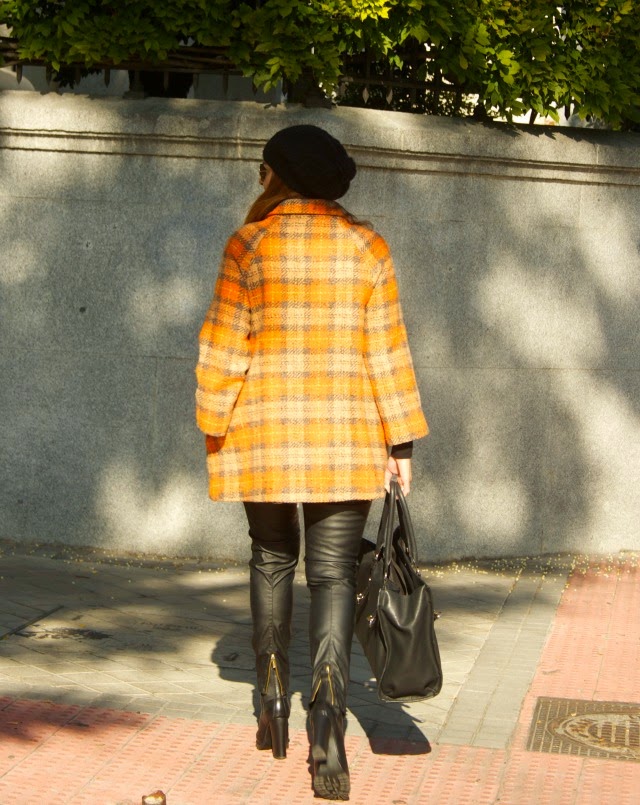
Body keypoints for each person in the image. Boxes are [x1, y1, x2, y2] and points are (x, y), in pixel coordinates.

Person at [196, 124, 428, 801]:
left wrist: (214, 420)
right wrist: (400, 443)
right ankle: (327, 723)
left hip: (262, 432)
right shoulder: (367, 246)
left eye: (262, 169)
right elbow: (388, 349)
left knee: (271, 556)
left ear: (278, 176)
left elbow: (224, 345)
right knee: (332, 576)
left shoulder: (248, 244)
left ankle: (271, 697)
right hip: (345, 436)